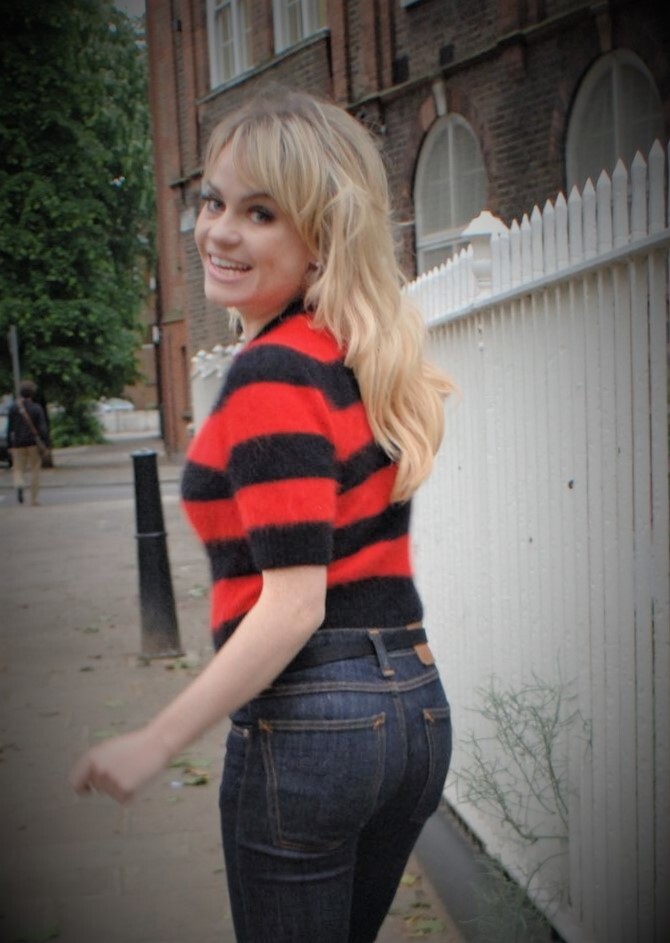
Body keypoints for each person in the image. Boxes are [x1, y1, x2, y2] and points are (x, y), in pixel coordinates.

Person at [71, 89, 455, 942]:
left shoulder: (277, 371)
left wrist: (157, 740)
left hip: (317, 718)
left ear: (322, 241)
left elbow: (293, 605)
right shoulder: (356, 356)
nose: (219, 232)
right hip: (416, 707)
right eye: (214, 202)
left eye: (261, 213)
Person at [8, 379, 49, 506]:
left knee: (18, 469)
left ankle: (19, 484)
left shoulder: (13, 408)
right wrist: (45, 443)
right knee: (35, 470)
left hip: (18, 443)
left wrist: (10, 444)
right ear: (32, 394)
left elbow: (10, 428)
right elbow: (42, 428)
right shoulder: (37, 408)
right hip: (33, 443)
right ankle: (33, 499)